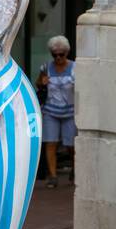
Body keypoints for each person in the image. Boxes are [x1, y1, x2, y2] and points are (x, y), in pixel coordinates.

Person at [38, 35, 76, 188]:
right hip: (51, 111)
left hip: (70, 112)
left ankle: (75, 170)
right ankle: (53, 176)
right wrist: (42, 82)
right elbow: (38, 82)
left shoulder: (75, 67)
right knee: (51, 143)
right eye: (55, 54)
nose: (58, 57)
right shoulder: (46, 67)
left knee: (71, 145)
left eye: (62, 54)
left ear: (67, 52)